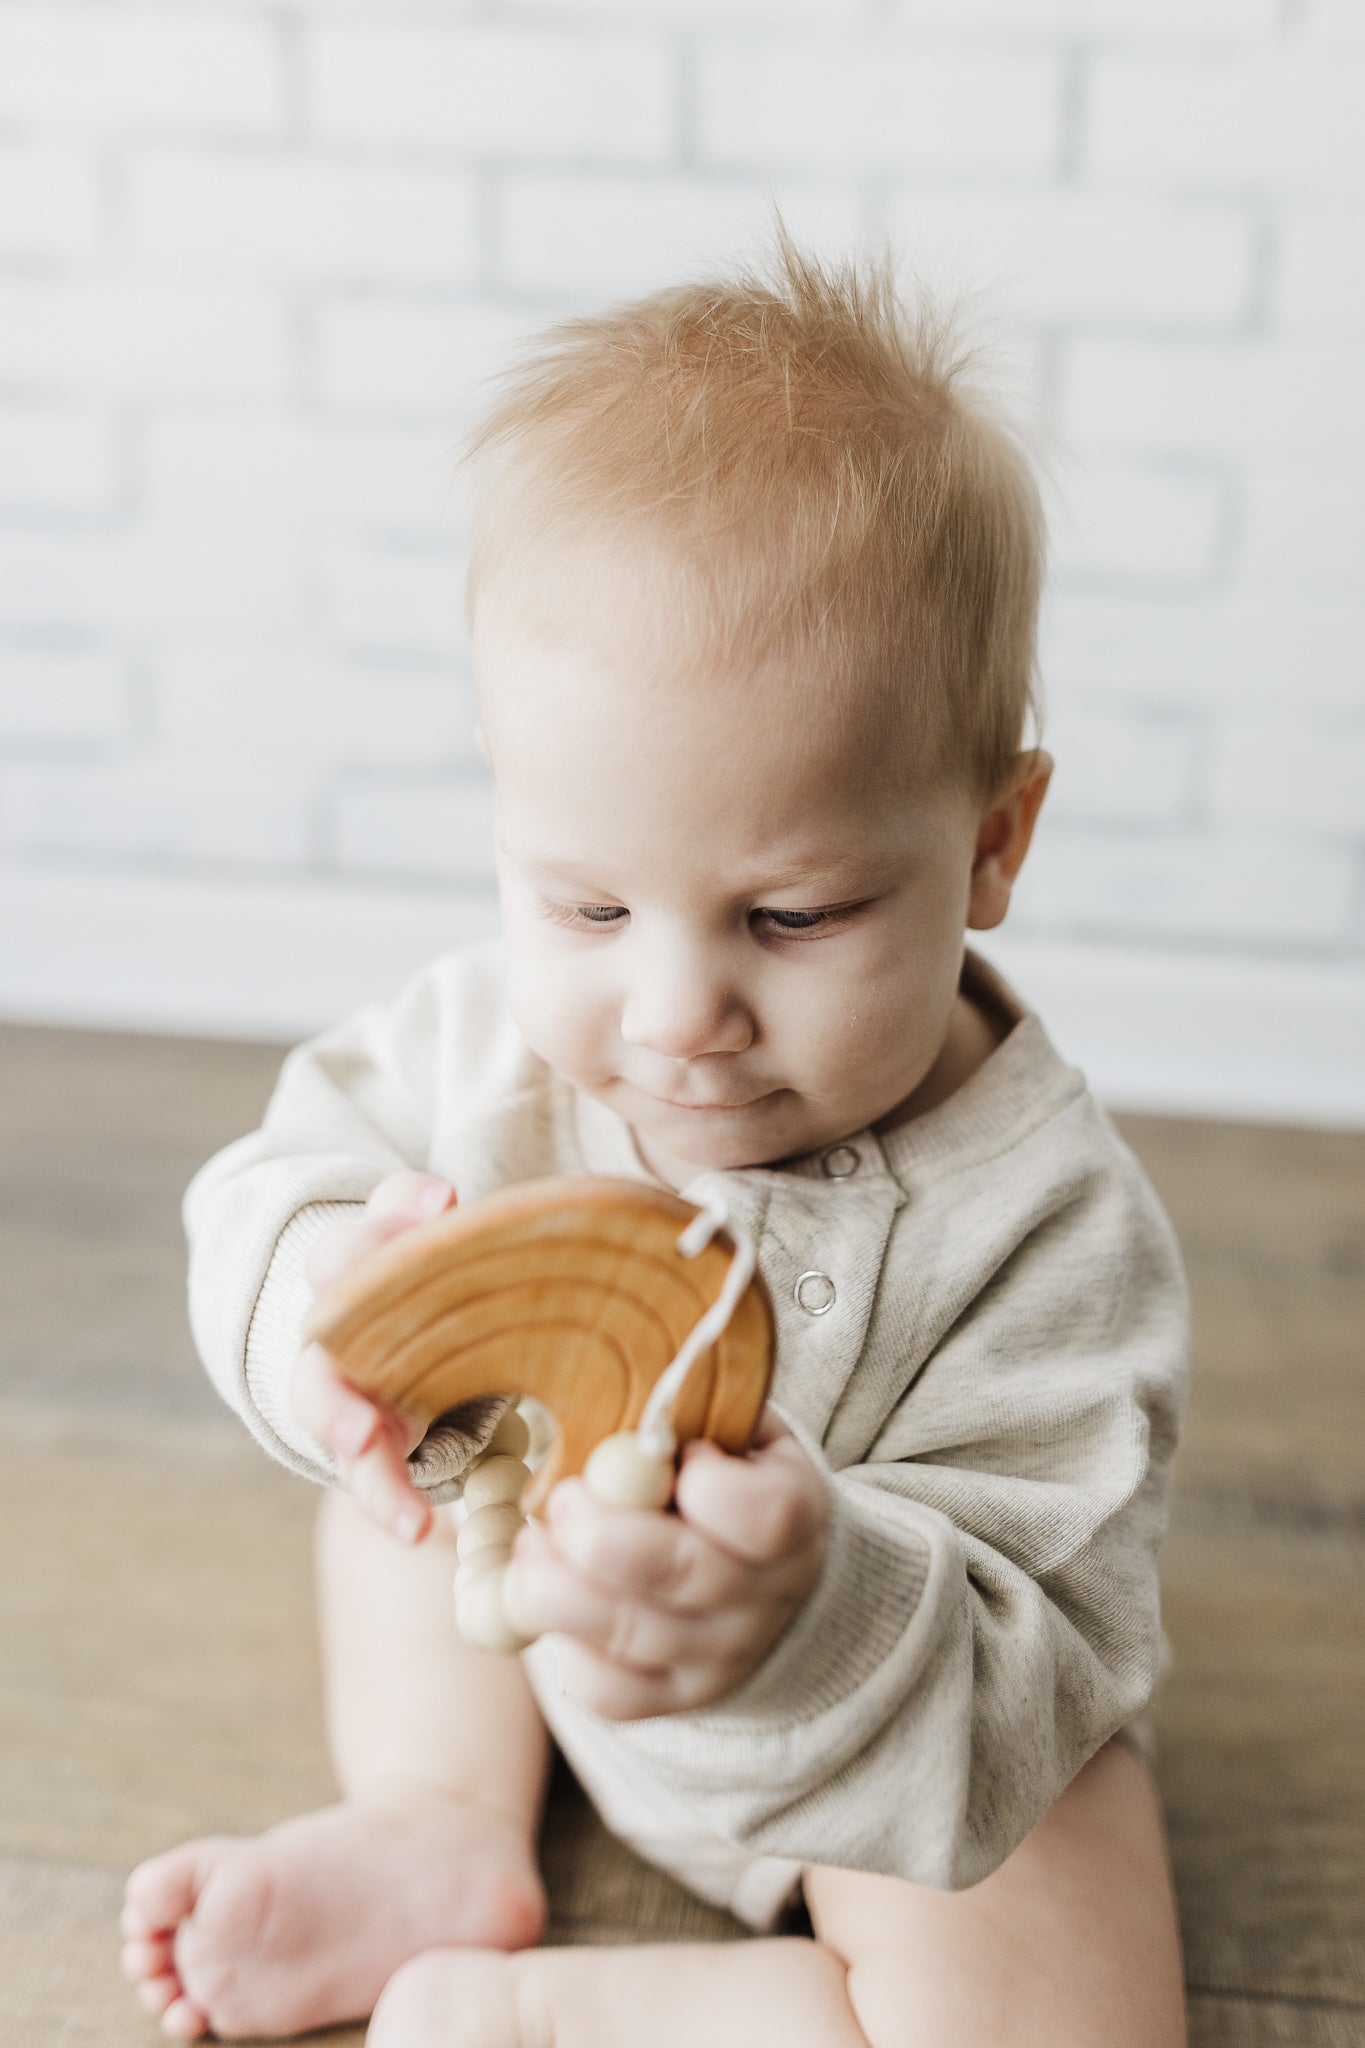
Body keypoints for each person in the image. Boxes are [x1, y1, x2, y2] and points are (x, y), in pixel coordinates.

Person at [119, 223, 1190, 2046]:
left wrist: (810, 1609)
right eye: (591, 908)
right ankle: (437, 1823)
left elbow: (1041, 1653)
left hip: (873, 1762)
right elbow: (265, 1194)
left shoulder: (1048, 1241)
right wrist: (334, 1305)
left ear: (992, 842)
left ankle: (638, 2010)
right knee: (396, 1474)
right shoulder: (485, 1052)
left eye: (790, 918)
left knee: (1070, 1910)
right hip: (516, 1645)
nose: (673, 1013)